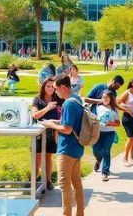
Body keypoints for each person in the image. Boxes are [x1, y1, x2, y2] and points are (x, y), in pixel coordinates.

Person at [41, 75, 85, 216]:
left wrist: (51, 124)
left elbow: (67, 129)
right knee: (76, 183)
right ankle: (80, 213)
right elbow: (70, 122)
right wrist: (56, 121)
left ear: (63, 87)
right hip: (77, 147)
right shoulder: (76, 99)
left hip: (67, 149)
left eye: (56, 89)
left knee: (64, 184)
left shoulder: (68, 104)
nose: (55, 92)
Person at [32, 77, 63, 191]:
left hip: (52, 132)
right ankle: (34, 181)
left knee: (48, 156)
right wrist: (47, 108)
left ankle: (48, 180)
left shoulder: (58, 98)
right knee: (37, 156)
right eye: (48, 86)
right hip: (39, 132)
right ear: (43, 87)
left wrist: (57, 123)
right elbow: (35, 115)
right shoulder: (37, 99)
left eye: (52, 87)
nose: (50, 89)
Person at [93, 90, 120, 181]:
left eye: (106, 97)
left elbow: (118, 123)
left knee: (106, 151)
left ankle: (105, 172)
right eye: (103, 97)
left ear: (111, 98)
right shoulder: (98, 107)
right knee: (96, 150)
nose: (104, 99)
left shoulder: (114, 109)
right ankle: (98, 159)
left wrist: (111, 123)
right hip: (98, 132)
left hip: (109, 133)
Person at [117, 78, 133, 166]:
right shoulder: (127, 93)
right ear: (132, 84)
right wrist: (127, 108)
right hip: (127, 118)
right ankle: (125, 158)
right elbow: (118, 102)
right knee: (131, 137)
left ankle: (132, 158)